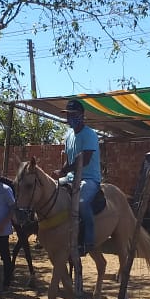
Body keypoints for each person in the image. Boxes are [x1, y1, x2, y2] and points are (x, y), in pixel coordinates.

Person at [52, 99, 101, 254]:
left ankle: (88, 240)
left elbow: (84, 160)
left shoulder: (90, 135)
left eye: (74, 115)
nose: (70, 118)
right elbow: (70, 159)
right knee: (51, 190)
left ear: (81, 115)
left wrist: (65, 170)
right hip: (72, 177)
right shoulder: (68, 136)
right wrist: (62, 172)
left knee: (81, 203)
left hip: (89, 178)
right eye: (68, 115)